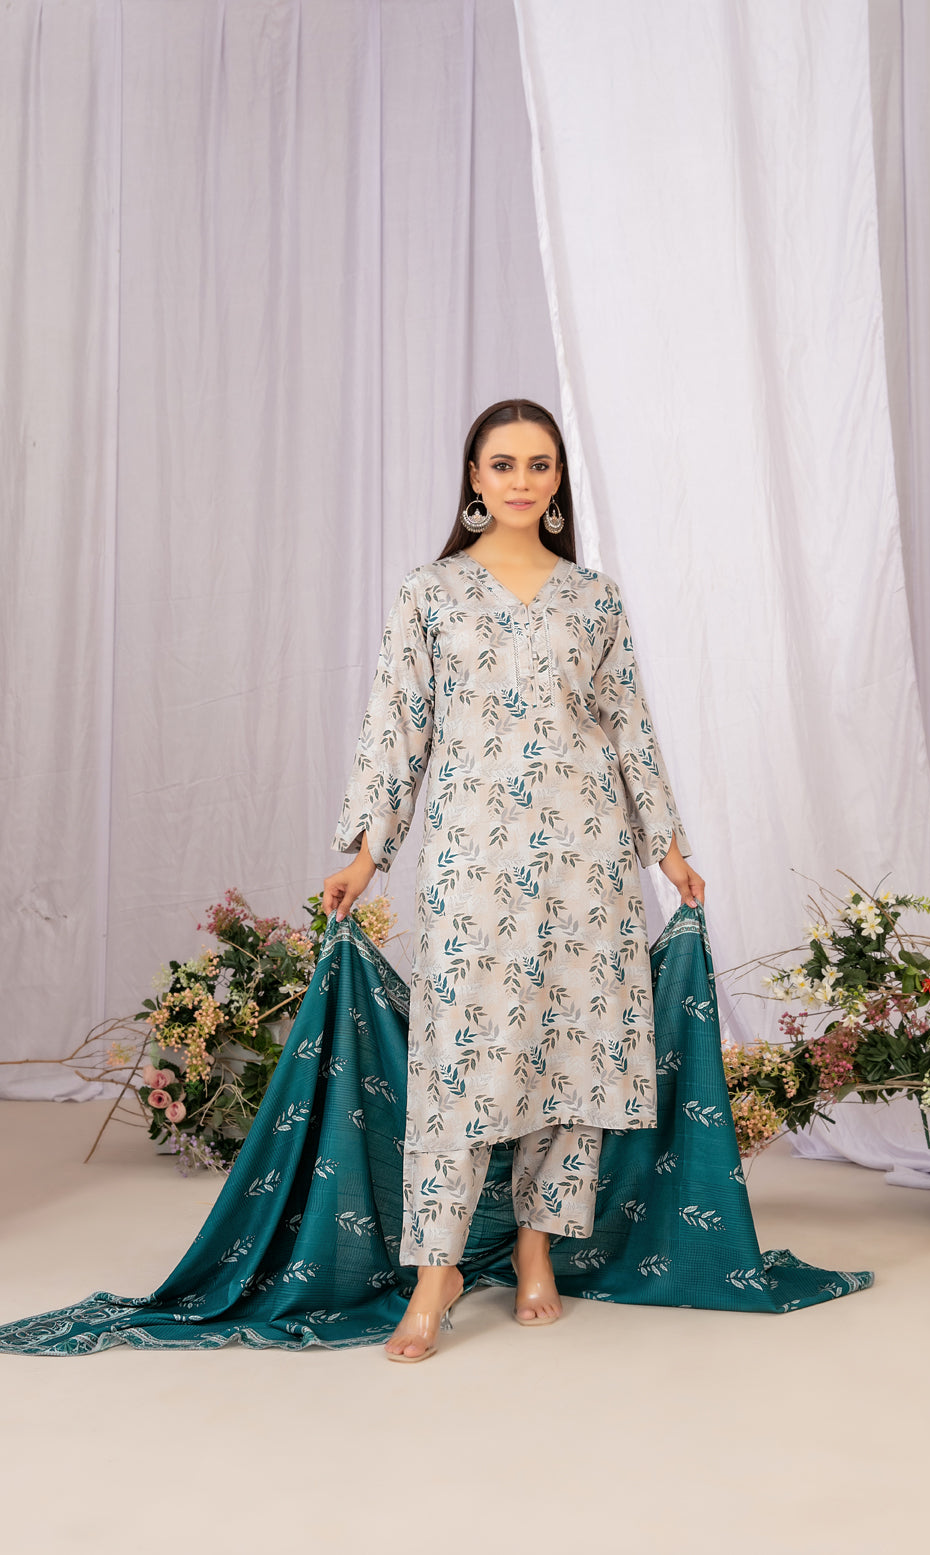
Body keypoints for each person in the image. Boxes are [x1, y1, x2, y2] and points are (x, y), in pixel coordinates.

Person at [321, 398, 705, 1362]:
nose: (522, 481)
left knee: (569, 1050)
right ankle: (436, 1271)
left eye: (540, 464)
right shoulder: (431, 592)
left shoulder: (594, 598)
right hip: (472, 857)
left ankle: (538, 1245)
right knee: (461, 1058)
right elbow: (397, 723)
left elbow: (628, 724)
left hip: (585, 856)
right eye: (504, 464)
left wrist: (665, 845)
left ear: (557, 479)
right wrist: (367, 851)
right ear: (474, 477)